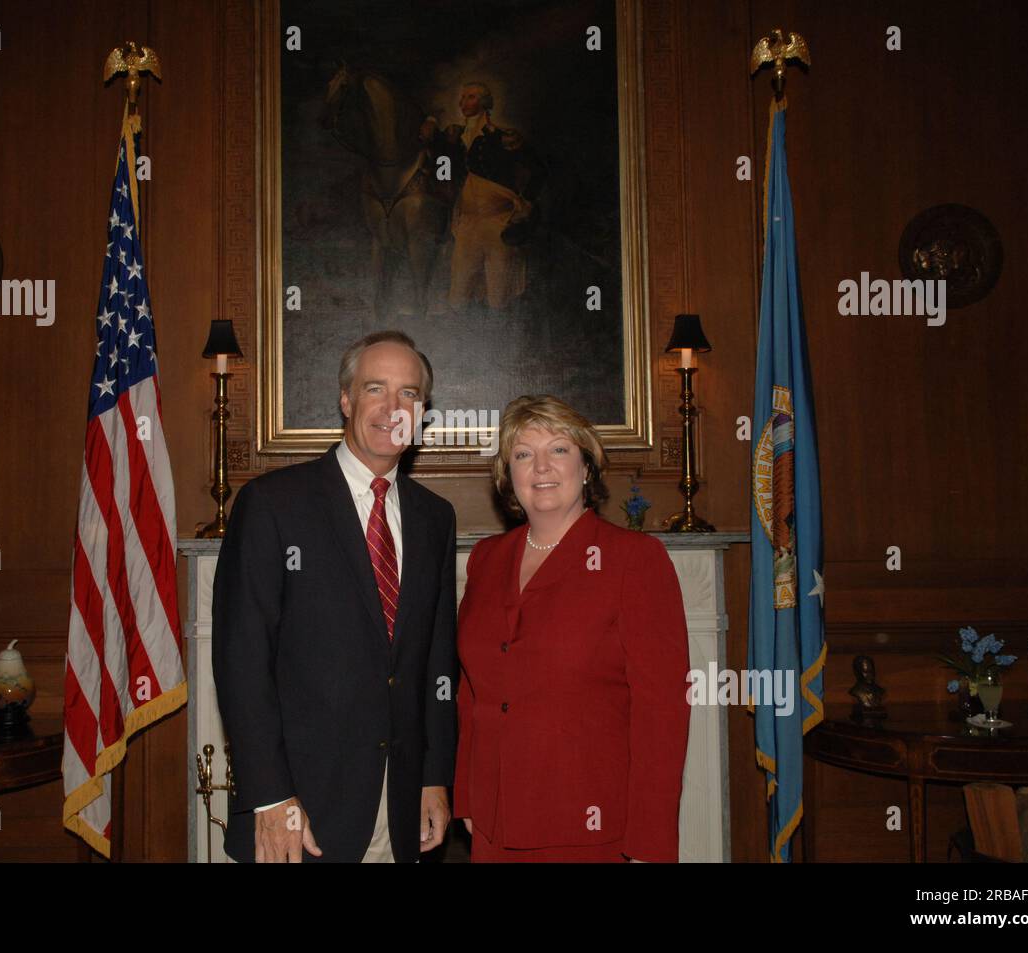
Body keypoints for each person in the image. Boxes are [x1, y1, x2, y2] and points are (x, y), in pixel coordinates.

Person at [212, 330, 458, 862]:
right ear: (346, 400)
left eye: (410, 394)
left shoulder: (436, 518)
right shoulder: (272, 505)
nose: (393, 408)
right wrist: (270, 796)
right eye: (376, 389)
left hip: (401, 813)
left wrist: (434, 776)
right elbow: (241, 663)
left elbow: (437, 660)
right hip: (300, 814)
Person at [454, 395, 690, 862]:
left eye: (558, 449)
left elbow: (662, 714)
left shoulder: (634, 561)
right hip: (492, 824)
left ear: (586, 467)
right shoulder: (486, 559)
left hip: (587, 827)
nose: (541, 467)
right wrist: (468, 795)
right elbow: (469, 693)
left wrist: (651, 841)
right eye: (523, 454)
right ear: (508, 475)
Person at [420, 82, 546, 310]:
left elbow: (538, 170)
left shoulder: (502, 137)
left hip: (498, 222)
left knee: (498, 295)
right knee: (458, 294)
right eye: (463, 97)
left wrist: (525, 203)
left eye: (470, 97)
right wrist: (431, 122)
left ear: (484, 103)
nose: (463, 102)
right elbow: (441, 165)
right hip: (467, 223)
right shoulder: (454, 138)